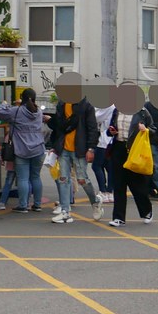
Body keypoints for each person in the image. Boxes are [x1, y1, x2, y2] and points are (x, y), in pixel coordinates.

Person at [47, 94, 104, 223]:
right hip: (64, 148)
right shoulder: (62, 104)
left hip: (80, 149)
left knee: (82, 179)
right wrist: (55, 146)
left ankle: (96, 201)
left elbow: (92, 128)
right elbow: (58, 127)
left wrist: (91, 148)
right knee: (63, 179)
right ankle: (65, 212)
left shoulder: (86, 105)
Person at [107, 86, 155, 227]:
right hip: (118, 149)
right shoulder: (116, 111)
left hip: (134, 150)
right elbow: (110, 130)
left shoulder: (142, 112)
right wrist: (112, 131)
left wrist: (145, 129)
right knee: (119, 184)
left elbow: (154, 130)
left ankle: (147, 211)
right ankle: (118, 217)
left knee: (137, 185)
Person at [0, 89, 46, 213]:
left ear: (21, 98)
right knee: (35, 177)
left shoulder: (17, 111)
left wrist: (4, 104)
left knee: (23, 179)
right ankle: (37, 204)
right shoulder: (39, 112)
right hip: (39, 149)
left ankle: (23, 205)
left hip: (22, 149)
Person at [93, 104, 116, 203]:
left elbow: (96, 118)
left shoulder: (109, 106)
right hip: (113, 140)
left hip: (105, 140)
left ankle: (103, 191)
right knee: (110, 166)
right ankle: (110, 192)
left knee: (96, 165)